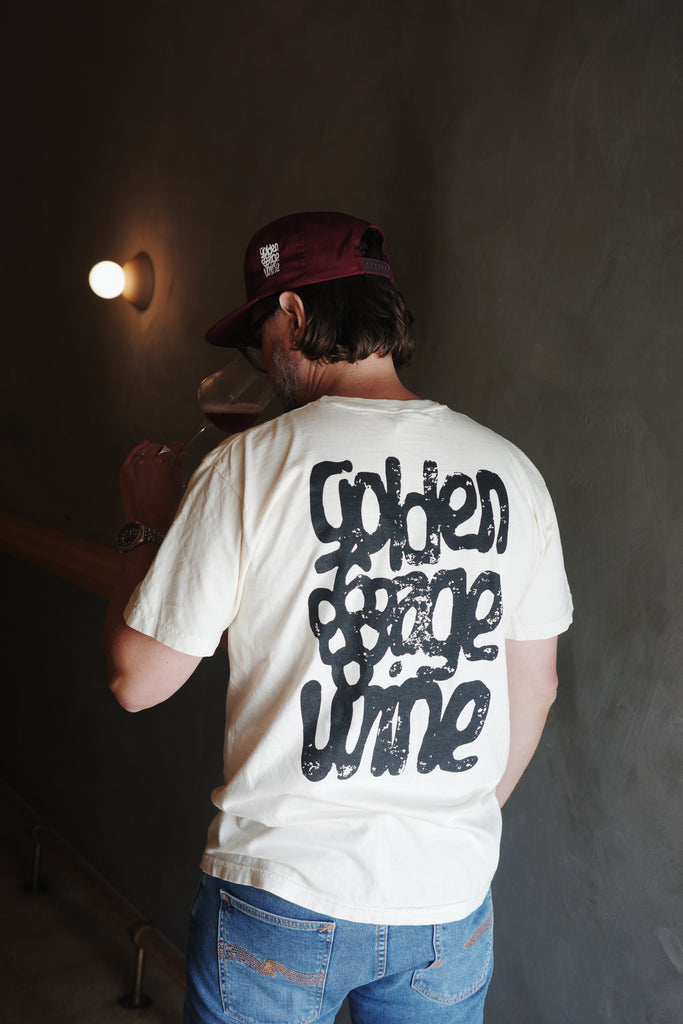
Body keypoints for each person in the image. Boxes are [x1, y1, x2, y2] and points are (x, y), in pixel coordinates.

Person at [105, 211, 572, 1024]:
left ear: (291, 314)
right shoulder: (512, 472)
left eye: (259, 337)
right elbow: (535, 688)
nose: (261, 362)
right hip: (447, 901)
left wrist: (145, 523)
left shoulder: (246, 467)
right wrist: (439, 830)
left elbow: (136, 682)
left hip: (282, 891)